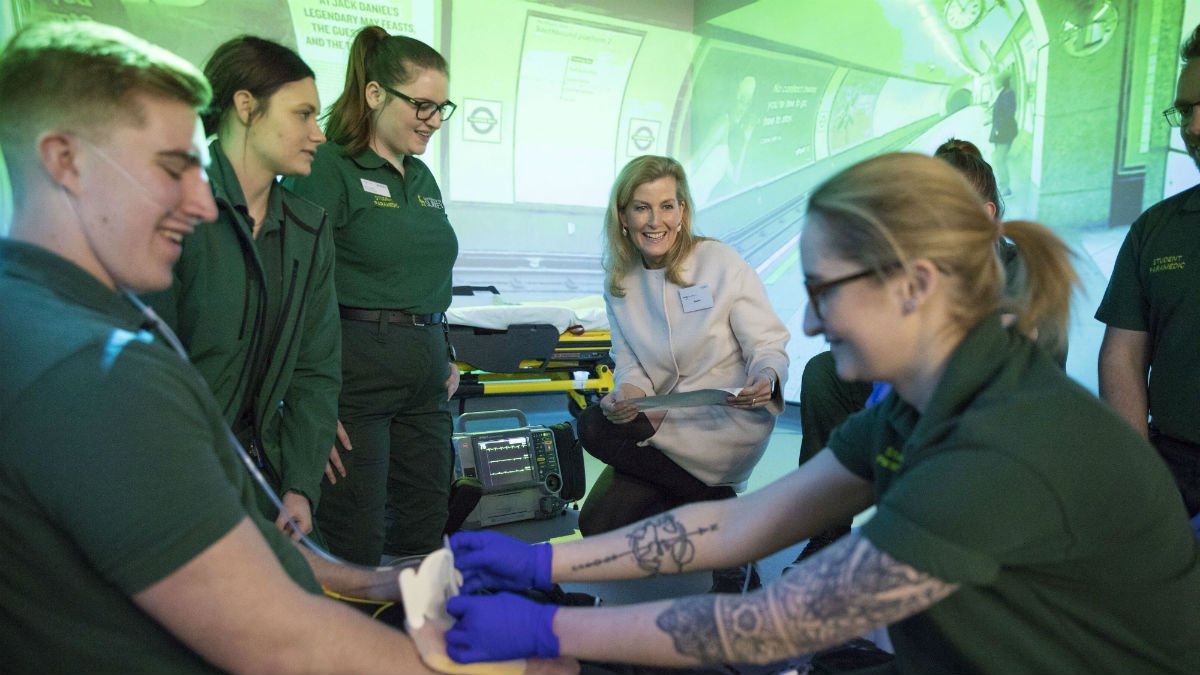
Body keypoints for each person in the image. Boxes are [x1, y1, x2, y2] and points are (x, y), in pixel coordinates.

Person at [441, 152, 1200, 673]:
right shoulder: (915, 404)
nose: (807, 323)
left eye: (825, 288)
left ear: (914, 283)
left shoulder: (1003, 446)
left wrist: (549, 624)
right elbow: (743, 524)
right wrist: (544, 560)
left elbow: (775, 624)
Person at [0, 20, 441, 673]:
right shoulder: (99, 373)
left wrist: (366, 575)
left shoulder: (50, 314)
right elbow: (281, 640)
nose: (205, 204)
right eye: (176, 167)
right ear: (65, 160)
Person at [791, 137, 1068, 565]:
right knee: (825, 373)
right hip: (923, 400)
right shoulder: (925, 266)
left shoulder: (1022, 275)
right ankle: (827, 528)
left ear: (984, 214)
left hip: (993, 423)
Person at [142, 36, 339, 541]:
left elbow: (315, 370)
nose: (317, 135)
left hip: (258, 480)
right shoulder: (173, 209)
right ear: (245, 106)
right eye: (303, 115)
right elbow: (147, 368)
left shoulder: (306, 227)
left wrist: (299, 485)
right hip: (167, 474)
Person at [288, 26, 460, 564]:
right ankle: (350, 643)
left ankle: (413, 644)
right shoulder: (327, 168)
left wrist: (444, 349)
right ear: (375, 94)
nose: (434, 121)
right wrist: (306, 400)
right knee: (354, 538)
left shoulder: (423, 176)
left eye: (442, 107)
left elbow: (426, 273)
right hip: (355, 371)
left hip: (425, 372)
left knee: (425, 530)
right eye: (423, 105)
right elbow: (295, 288)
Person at [574, 156, 789, 557]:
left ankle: (725, 527)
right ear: (623, 216)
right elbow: (630, 364)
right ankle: (712, 507)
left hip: (724, 421)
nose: (656, 221)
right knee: (599, 526)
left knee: (591, 429)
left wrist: (766, 375)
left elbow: (766, 342)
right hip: (662, 424)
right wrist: (628, 398)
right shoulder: (620, 281)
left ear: (683, 211)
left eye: (667, 206)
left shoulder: (719, 262)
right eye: (642, 208)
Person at [1097, 23, 1200, 519]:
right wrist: (1140, 473)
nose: (1194, 127)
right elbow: (1122, 357)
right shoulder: (1156, 230)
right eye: (1185, 110)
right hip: (1175, 466)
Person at [989, 74, 1018, 194]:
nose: (994, 83)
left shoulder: (1007, 94)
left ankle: (1005, 188)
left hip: (1004, 132)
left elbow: (1007, 114)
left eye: (996, 80)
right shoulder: (1004, 93)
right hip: (1002, 131)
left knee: (999, 159)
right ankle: (1003, 185)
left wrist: (998, 128)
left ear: (1001, 82)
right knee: (998, 158)